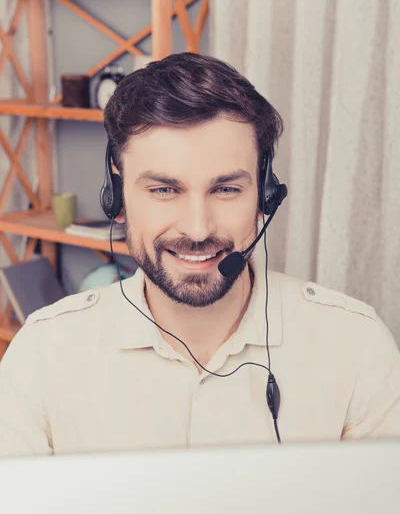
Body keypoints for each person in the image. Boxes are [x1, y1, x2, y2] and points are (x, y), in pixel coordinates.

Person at [0, 52, 399, 458]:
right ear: (117, 198)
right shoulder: (43, 353)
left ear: (265, 196)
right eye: (164, 190)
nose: (197, 229)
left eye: (226, 189)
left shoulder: (357, 346)